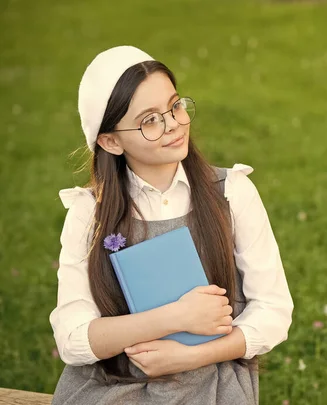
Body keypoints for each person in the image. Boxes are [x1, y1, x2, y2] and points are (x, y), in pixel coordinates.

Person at [48, 45, 294, 404]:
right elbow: (72, 338)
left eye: (175, 106)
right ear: (110, 141)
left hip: (211, 382)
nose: (174, 125)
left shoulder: (229, 193)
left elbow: (273, 311)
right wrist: (176, 317)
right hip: (114, 386)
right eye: (150, 120)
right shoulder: (90, 212)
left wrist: (192, 355)